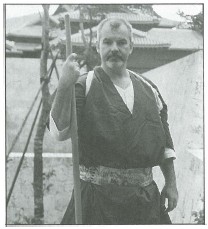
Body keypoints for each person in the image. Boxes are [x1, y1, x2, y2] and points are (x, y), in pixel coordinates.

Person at [49, 17, 178, 225]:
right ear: (98, 46)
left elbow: (165, 146)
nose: (114, 48)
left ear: (131, 47)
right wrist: (64, 84)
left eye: (121, 42)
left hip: (143, 203)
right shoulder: (83, 85)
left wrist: (171, 184)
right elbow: (59, 132)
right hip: (95, 201)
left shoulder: (150, 90)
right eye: (107, 42)